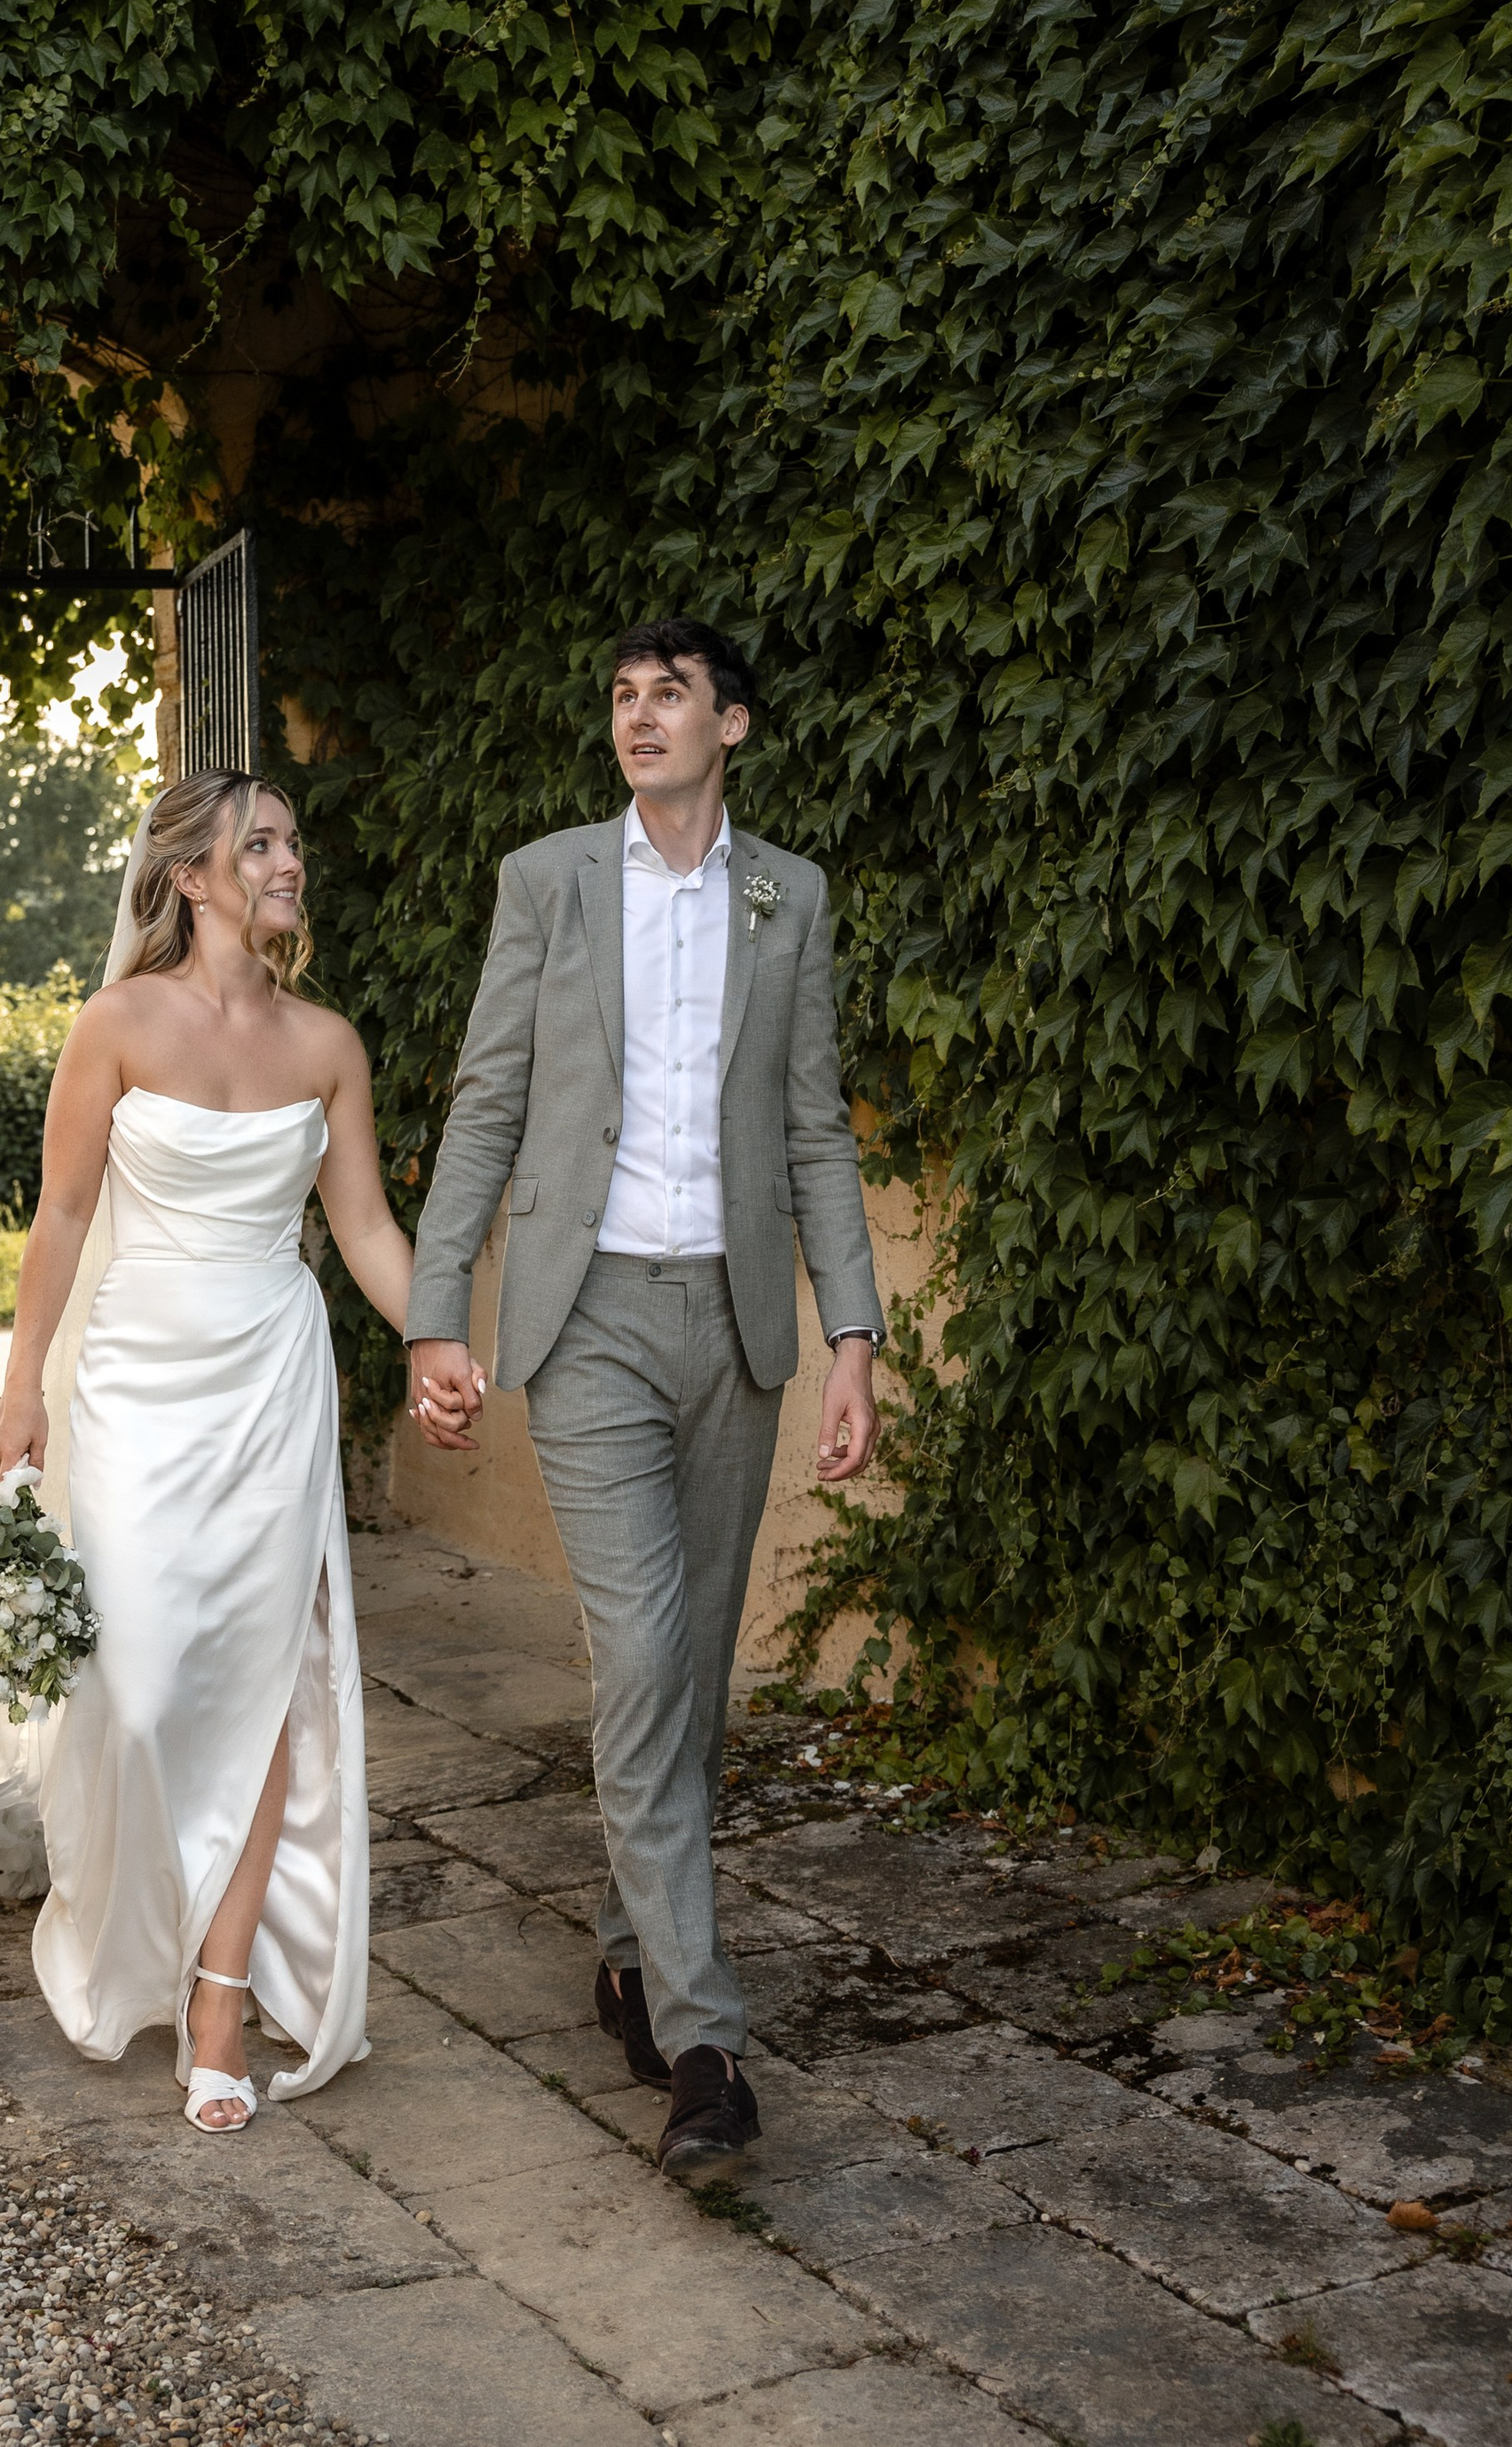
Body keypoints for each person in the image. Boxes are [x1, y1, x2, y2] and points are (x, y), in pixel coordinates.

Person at [404, 617, 884, 2174]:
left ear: (731, 725)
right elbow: (488, 1099)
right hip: (588, 1318)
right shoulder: (549, 881)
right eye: (620, 694)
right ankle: (705, 2044)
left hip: (735, 1328)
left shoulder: (786, 895)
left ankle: (623, 1943)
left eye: (668, 694)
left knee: (693, 1676)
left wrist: (856, 1338)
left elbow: (814, 1127)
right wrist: (433, 1315)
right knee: (640, 1662)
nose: (638, 716)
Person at [0, 771, 412, 2133]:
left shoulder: (329, 1044)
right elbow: (60, 1219)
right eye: (263, 843)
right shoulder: (114, 1026)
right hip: (132, 1383)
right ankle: (129, 1925)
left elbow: (365, 1234)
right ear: (192, 875)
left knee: (264, 1671)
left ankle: (221, 2002)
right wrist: (20, 1390)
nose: (290, 861)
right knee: (146, 1682)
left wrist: (452, 1341)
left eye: (294, 839)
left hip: (273, 1380)